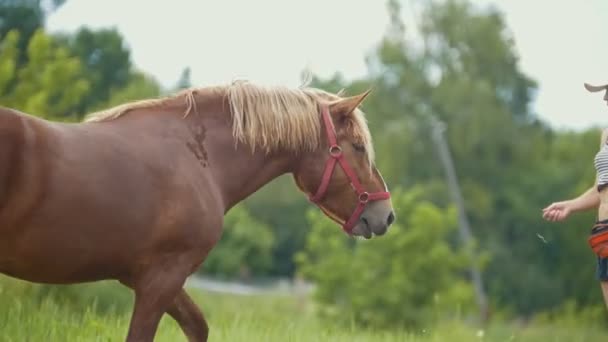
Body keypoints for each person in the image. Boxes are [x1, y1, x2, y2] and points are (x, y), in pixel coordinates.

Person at [542, 82, 608, 309]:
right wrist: (570, 205)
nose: (605, 99)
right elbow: (599, 189)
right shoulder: (606, 134)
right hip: (604, 230)